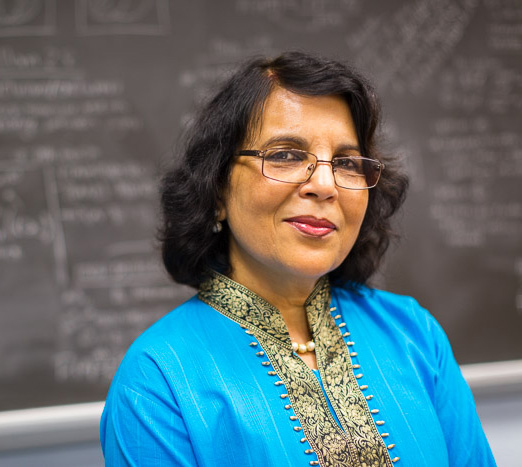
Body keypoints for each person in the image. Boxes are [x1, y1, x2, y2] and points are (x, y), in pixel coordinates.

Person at [100, 52, 495, 466]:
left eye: (345, 163)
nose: (325, 185)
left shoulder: (415, 334)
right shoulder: (157, 381)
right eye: (286, 155)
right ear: (217, 191)